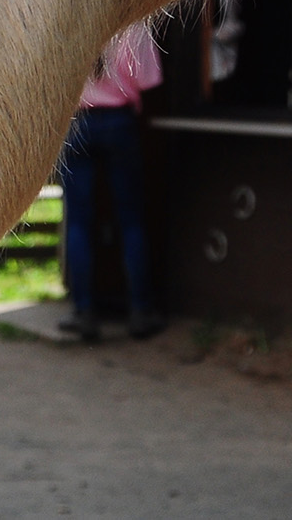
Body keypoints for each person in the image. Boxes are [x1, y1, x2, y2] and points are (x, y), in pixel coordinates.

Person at [58, 24, 165, 343]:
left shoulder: (73, 20)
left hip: (76, 123)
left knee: (78, 221)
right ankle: (140, 311)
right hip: (120, 120)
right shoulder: (134, 22)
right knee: (131, 219)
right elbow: (150, 79)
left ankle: (84, 312)